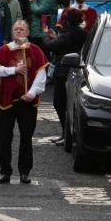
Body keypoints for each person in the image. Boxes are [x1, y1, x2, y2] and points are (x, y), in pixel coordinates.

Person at [0, 18, 48, 184]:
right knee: (4, 138)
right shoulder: (3, 50)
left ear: (28, 32)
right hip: (6, 101)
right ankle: (5, 171)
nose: (19, 32)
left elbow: (41, 74)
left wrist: (32, 93)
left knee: (26, 138)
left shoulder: (36, 51)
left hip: (27, 102)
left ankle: (24, 171)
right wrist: (13, 70)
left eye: (22, 29)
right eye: (16, 29)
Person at [44, 8, 87, 136]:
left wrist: (46, 35)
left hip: (63, 73)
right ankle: (68, 133)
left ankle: (66, 132)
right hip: (80, 72)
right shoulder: (85, 34)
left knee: (59, 103)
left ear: (67, 21)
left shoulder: (66, 36)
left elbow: (50, 46)